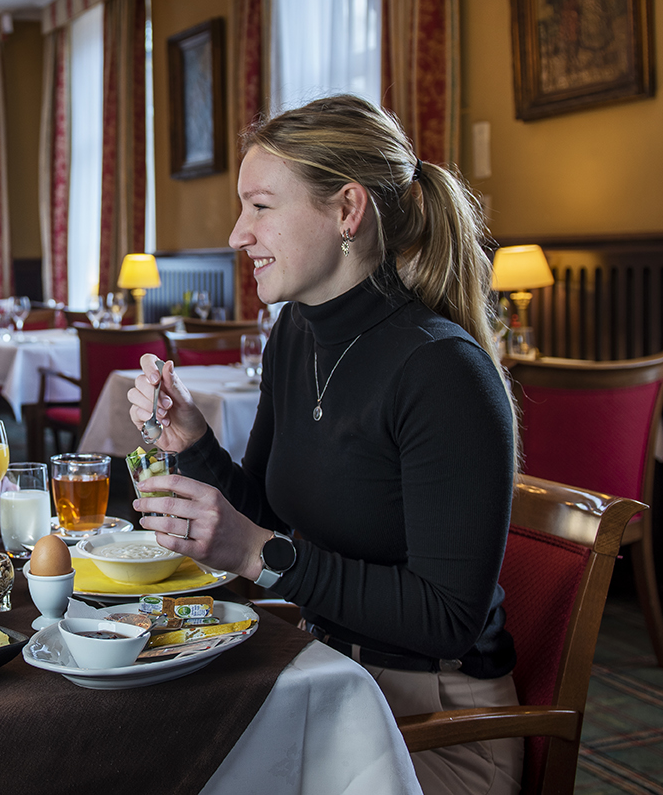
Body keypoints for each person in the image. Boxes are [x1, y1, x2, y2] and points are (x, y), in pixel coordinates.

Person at [127, 95, 521, 795]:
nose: (235, 233)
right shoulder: (296, 334)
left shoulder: (441, 370)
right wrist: (192, 442)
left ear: (347, 210)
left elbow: (447, 618)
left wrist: (255, 553)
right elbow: (269, 515)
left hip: (429, 721)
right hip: (325, 672)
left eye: (259, 206)